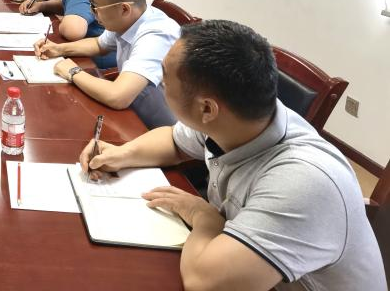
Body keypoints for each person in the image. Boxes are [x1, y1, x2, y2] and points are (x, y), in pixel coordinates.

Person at [79, 20, 386, 291]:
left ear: (207, 108)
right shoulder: (237, 119)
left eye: (165, 78)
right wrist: (121, 154)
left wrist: (203, 217)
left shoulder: (304, 181)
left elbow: (205, 282)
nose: (161, 83)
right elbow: (174, 141)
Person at [34, 0, 178, 128]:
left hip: (160, 129)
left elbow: (118, 96)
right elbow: (99, 44)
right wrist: (59, 49)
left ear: (124, 9)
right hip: (133, 111)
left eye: (95, 6)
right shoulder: (129, 20)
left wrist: (73, 71)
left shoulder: (156, 36)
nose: (92, 12)